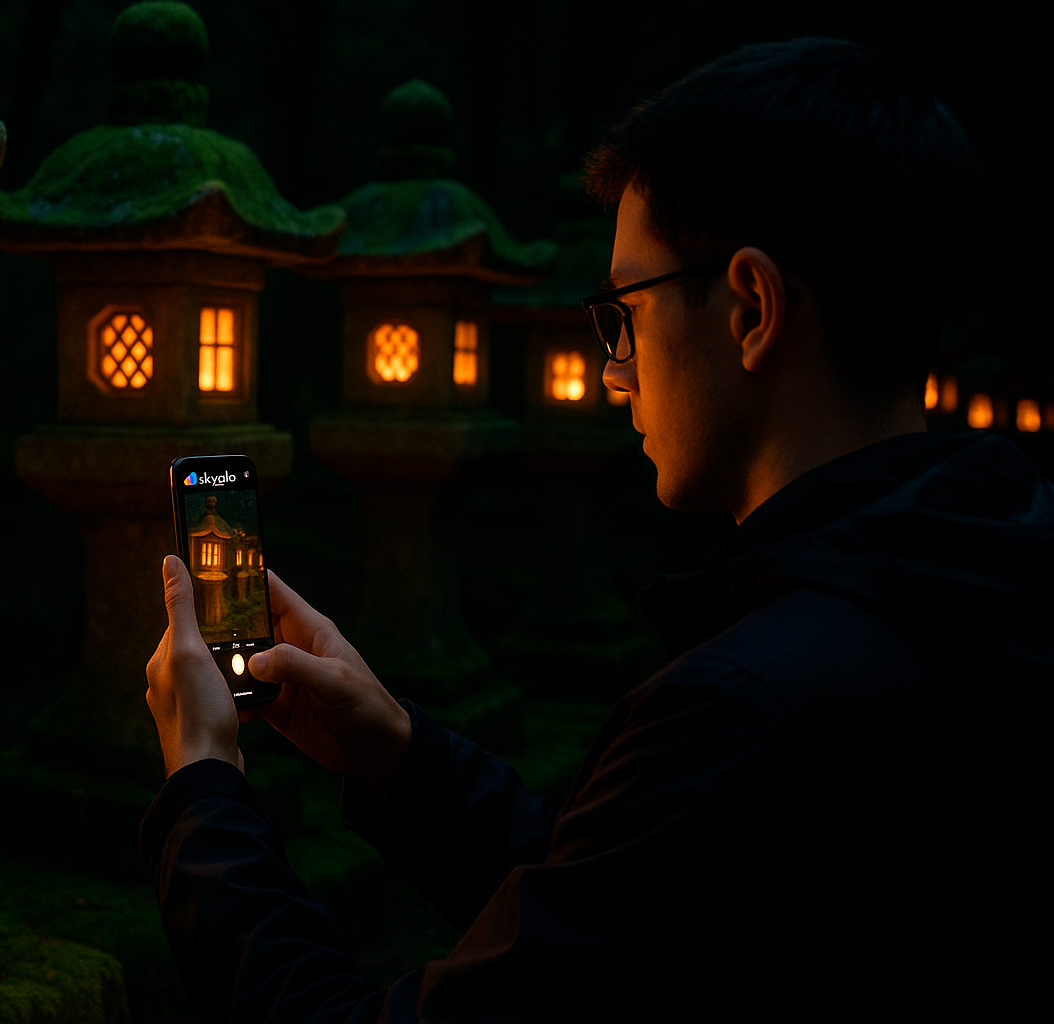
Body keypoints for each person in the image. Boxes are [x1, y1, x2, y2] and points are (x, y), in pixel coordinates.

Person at [141, 38, 1051, 1020]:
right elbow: (631, 895)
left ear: (750, 307)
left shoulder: (747, 707)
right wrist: (398, 752)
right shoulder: (986, 574)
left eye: (623, 312)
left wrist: (204, 787)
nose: (612, 369)